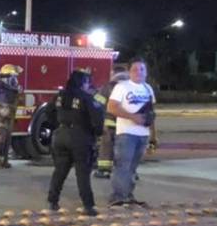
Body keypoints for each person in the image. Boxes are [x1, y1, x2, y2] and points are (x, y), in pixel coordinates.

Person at [47, 70, 103, 214]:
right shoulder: (86, 98)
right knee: (82, 173)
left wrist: (58, 126)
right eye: (87, 82)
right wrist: (96, 133)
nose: (88, 85)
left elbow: (48, 112)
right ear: (82, 83)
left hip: (60, 135)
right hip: (80, 136)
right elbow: (97, 119)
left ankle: (52, 202)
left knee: (60, 170)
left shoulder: (59, 96)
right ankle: (88, 206)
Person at [107, 59, 156, 206]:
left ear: (146, 72)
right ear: (129, 72)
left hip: (143, 135)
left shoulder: (148, 89)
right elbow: (112, 107)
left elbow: (152, 114)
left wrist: (153, 135)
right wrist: (132, 117)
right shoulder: (122, 87)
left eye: (142, 69)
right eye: (135, 69)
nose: (138, 72)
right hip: (126, 134)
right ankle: (118, 197)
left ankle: (128, 194)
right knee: (123, 166)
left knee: (133, 168)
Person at [93, 69, 129, 178]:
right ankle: (128, 172)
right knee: (125, 149)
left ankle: (104, 171)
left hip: (109, 125)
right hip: (126, 126)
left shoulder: (107, 87)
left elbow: (97, 105)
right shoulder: (131, 87)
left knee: (106, 148)